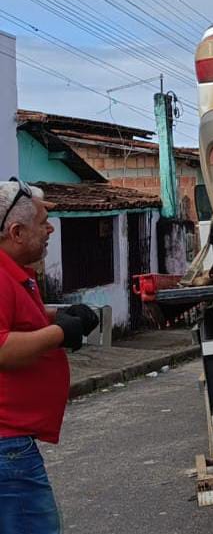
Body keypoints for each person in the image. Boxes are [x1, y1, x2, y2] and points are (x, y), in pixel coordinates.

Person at [0, 178, 99, 534]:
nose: (50, 228)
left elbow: (20, 319)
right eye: (42, 222)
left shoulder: (14, 276)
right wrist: (61, 333)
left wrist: (60, 316)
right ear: (16, 231)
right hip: (6, 447)